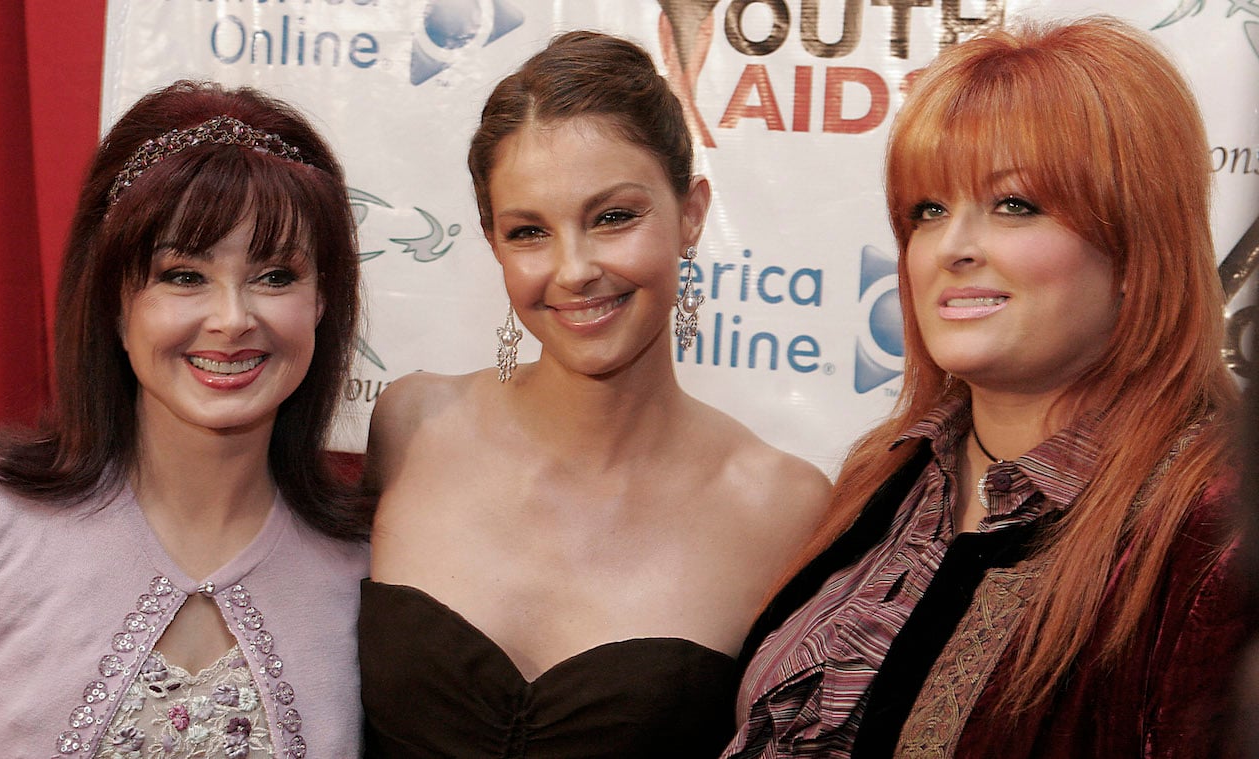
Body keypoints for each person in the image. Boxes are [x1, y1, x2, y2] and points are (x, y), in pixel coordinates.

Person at [723, 16, 1246, 758]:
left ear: (1136, 248)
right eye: (928, 211)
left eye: (1014, 205)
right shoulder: (892, 467)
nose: (953, 247)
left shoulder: (1213, 526)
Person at [358, 30, 832, 758]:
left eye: (613, 217)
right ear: (492, 243)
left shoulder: (786, 508)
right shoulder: (411, 426)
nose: (575, 269)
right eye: (529, 231)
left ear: (692, 213)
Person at [0, 80, 369, 757]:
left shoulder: (372, 568)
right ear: (113, 302)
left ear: (322, 302)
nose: (232, 319)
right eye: (184, 275)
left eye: (275, 275)